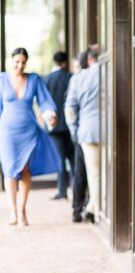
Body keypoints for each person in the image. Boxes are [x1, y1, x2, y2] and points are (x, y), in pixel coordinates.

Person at [0, 47, 59, 225]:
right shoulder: (2, 79)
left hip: (28, 131)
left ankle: (22, 209)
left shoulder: (33, 79)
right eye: (17, 62)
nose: (20, 65)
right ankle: (12, 211)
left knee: (25, 169)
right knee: (10, 169)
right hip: (7, 131)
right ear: (12, 61)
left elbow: (44, 101)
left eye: (23, 62)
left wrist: (50, 114)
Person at [66, 47, 100, 223]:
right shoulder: (110, 73)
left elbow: (70, 109)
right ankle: (92, 208)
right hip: (110, 131)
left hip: (86, 131)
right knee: (105, 173)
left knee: (92, 173)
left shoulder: (78, 79)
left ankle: (91, 209)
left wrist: (74, 131)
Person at [44, 51, 74, 200]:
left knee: (60, 159)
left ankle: (62, 191)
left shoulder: (47, 80)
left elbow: (43, 104)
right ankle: (76, 190)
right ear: (65, 63)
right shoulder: (71, 78)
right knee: (74, 159)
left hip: (54, 128)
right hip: (70, 126)